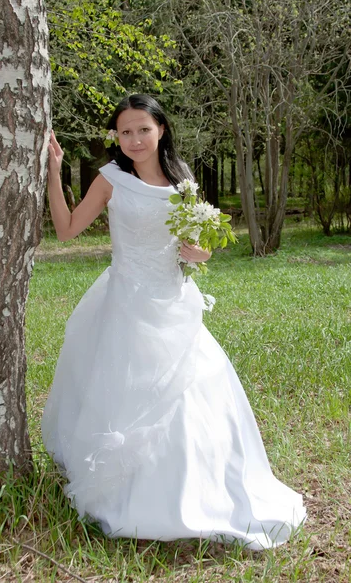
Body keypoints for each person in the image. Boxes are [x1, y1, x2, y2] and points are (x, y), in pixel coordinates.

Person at [42, 94, 306, 550]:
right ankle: (130, 492)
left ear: (160, 129)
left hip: (174, 302)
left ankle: (194, 488)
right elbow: (66, 229)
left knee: (189, 393)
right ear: (117, 138)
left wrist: (200, 252)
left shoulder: (183, 181)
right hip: (126, 303)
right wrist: (54, 171)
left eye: (143, 128)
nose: (135, 139)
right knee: (128, 394)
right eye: (125, 131)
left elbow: (199, 247)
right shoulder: (111, 180)